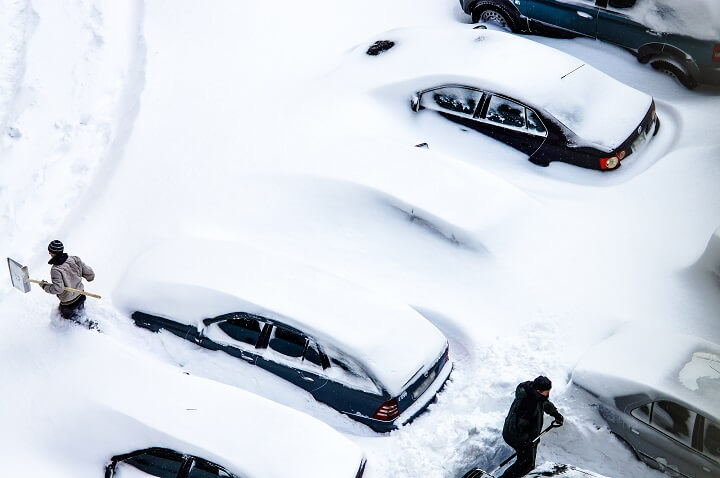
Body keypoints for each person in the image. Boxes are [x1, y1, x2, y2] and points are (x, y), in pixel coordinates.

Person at [499, 376, 564, 478]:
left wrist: (555, 414)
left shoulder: (535, 394)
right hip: (516, 436)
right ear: (538, 391)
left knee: (525, 462)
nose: (548, 393)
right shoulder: (528, 403)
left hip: (522, 435)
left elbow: (544, 403)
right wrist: (526, 441)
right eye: (546, 391)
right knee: (526, 464)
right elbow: (516, 426)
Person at [38, 240, 95, 321]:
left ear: (53, 253)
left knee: (69, 321)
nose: (49, 253)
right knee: (80, 313)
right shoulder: (75, 259)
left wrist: (45, 286)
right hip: (81, 295)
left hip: (68, 304)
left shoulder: (56, 270)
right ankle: (89, 324)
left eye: (50, 251)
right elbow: (90, 275)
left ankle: (86, 329)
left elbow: (58, 289)